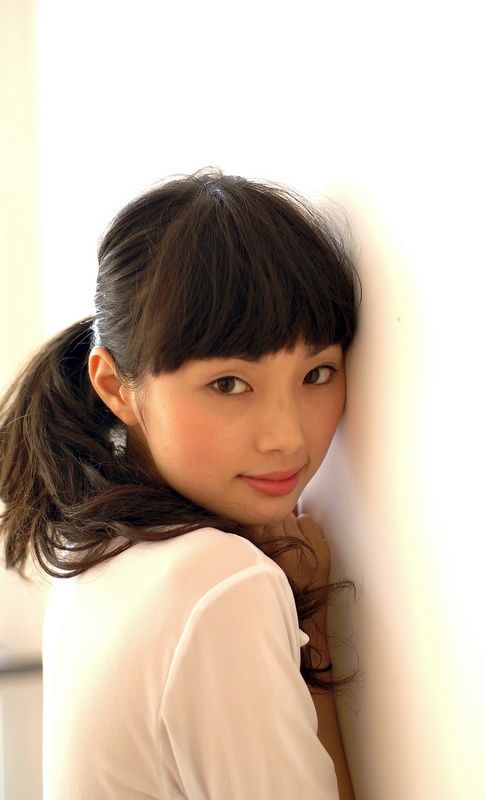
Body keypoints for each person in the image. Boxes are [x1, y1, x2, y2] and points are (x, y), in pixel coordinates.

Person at [0, 167, 361, 799]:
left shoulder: (100, 552)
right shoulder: (221, 582)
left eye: (317, 374)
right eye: (229, 384)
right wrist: (316, 637)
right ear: (115, 387)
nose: (287, 438)